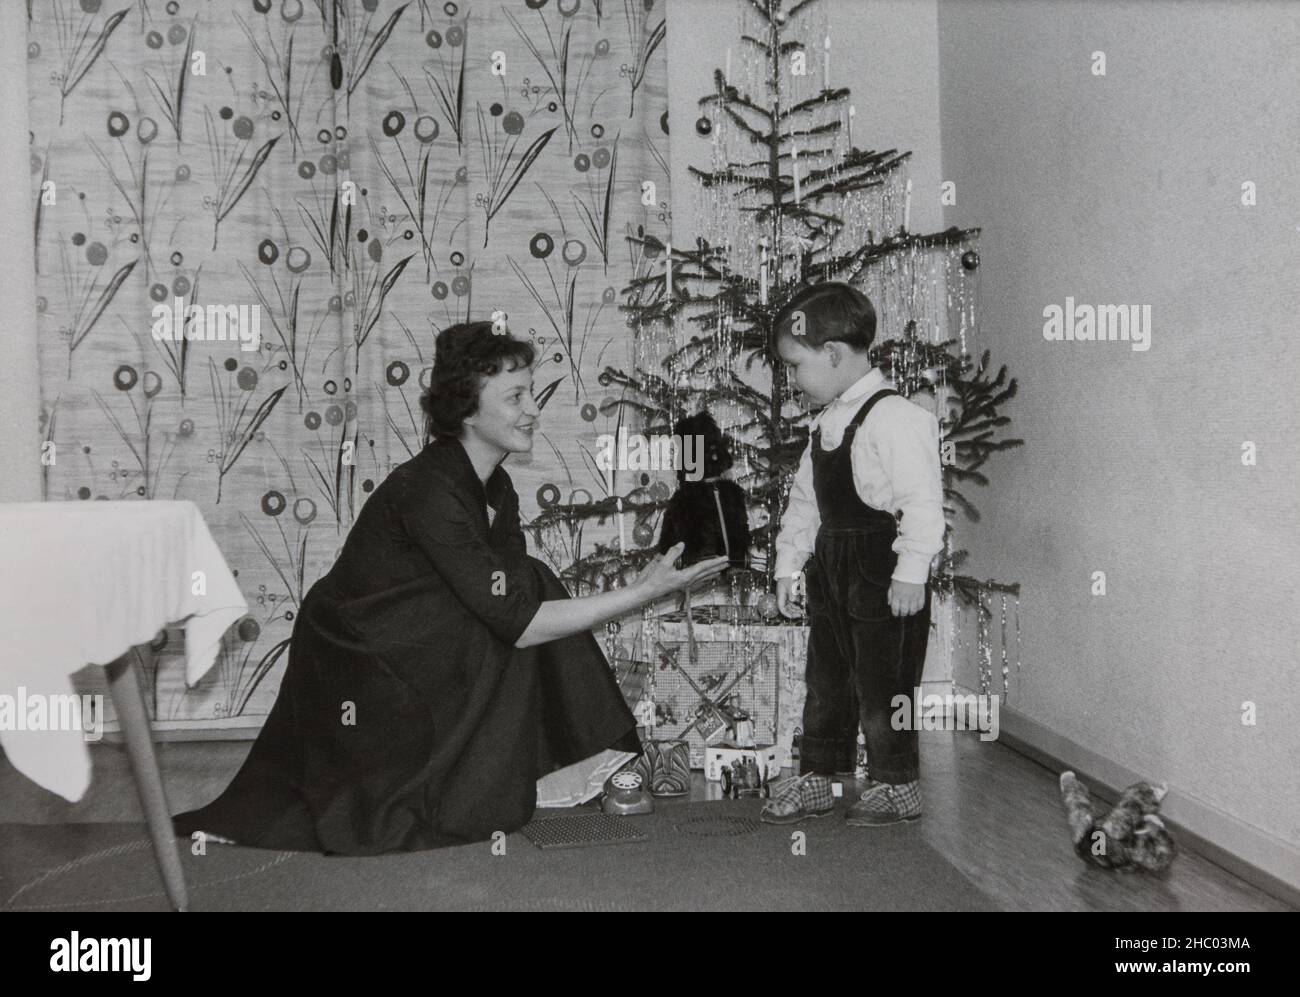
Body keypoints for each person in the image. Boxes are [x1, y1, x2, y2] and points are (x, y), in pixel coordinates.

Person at [172, 321, 728, 855]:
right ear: (466, 407)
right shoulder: (428, 488)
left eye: (530, 394)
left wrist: (637, 590)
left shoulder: (496, 486)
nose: (533, 410)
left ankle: (560, 770)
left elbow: (512, 610)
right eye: (515, 397)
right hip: (356, 656)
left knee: (522, 587)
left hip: (415, 636)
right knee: (522, 596)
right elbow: (521, 621)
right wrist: (642, 591)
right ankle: (533, 776)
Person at [760, 282, 945, 827]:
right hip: (832, 575)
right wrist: (789, 566)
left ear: (834, 354)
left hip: (884, 575)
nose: (792, 380)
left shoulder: (898, 419)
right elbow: (804, 505)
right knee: (827, 677)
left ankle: (897, 782)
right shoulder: (824, 425)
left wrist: (913, 571)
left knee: (884, 683)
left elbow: (922, 503)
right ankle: (820, 775)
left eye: (795, 366)